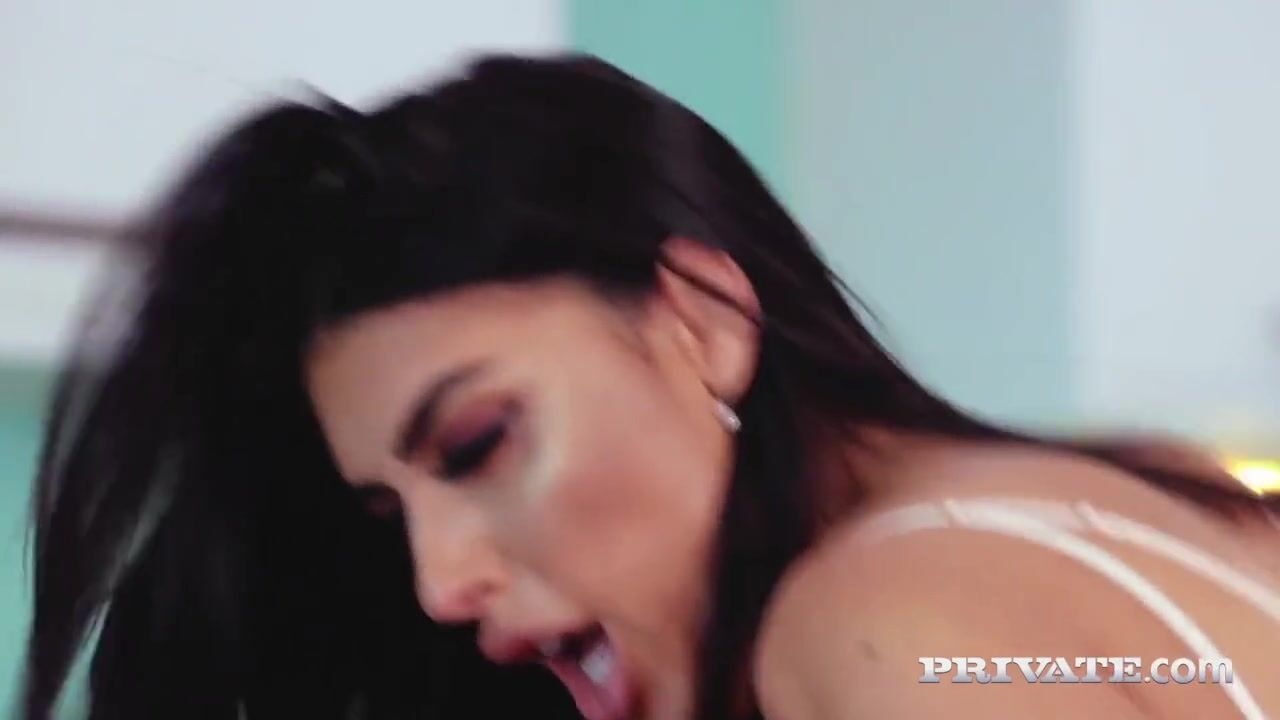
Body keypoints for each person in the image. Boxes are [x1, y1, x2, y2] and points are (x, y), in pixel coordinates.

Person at [21, 53, 1280, 720]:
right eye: (391, 513)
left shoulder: (876, 625)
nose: (439, 582)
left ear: (704, 319)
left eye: (478, 443)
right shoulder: (1150, 493)